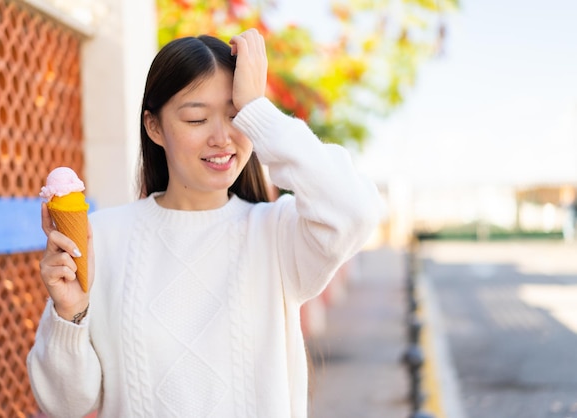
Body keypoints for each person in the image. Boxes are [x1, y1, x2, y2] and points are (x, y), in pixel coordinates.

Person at [27, 29, 382, 418]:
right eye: (197, 118)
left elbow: (355, 212)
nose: (222, 138)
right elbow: (65, 406)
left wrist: (259, 110)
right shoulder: (104, 239)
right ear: (155, 127)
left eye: (235, 115)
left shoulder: (276, 235)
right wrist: (70, 313)